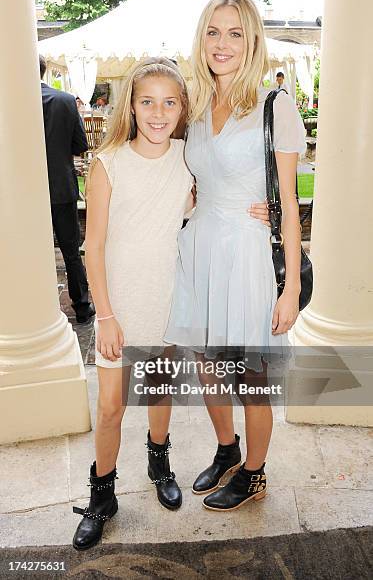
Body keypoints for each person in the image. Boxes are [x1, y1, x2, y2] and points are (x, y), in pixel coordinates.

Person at [71, 55, 271, 550]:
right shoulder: (108, 162)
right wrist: (107, 316)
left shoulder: (188, 158)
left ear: (182, 109)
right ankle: (102, 495)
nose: (158, 113)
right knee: (113, 406)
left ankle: (159, 462)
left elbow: (219, 195)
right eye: (147, 102)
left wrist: (259, 207)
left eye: (169, 103)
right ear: (131, 107)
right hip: (121, 305)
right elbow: (92, 246)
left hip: (168, 300)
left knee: (158, 392)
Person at [164, 0, 306, 511]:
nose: (222, 44)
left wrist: (289, 288)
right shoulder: (196, 105)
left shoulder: (276, 105)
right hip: (199, 246)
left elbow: (288, 205)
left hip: (246, 252)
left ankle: (255, 473)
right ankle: (228, 450)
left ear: (252, 42)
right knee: (206, 361)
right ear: (202, 38)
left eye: (235, 33)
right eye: (213, 32)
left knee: (252, 373)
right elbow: (193, 178)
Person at [39, 55, 95, 324]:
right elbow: (80, 145)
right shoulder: (64, 101)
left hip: (24, 193)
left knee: (30, 251)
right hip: (61, 185)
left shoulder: (11, 100)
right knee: (71, 250)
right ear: (44, 70)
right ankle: (82, 308)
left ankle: (36, 307)